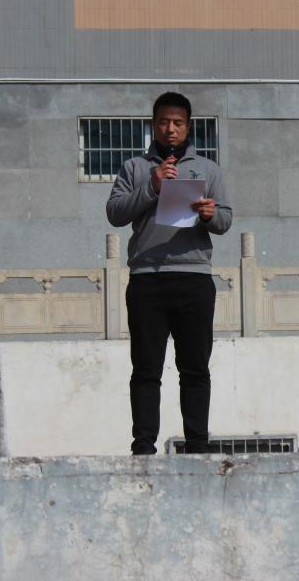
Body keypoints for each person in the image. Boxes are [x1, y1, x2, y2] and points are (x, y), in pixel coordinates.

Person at [106, 92, 232, 455]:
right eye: (163, 122)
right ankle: (143, 446)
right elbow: (115, 213)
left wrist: (209, 214)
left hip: (194, 277)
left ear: (188, 126)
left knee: (195, 367)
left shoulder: (208, 169)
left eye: (177, 123)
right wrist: (153, 186)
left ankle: (198, 444)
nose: (170, 129)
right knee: (146, 368)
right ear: (153, 125)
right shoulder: (134, 168)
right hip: (147, 278)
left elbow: (225, 220)